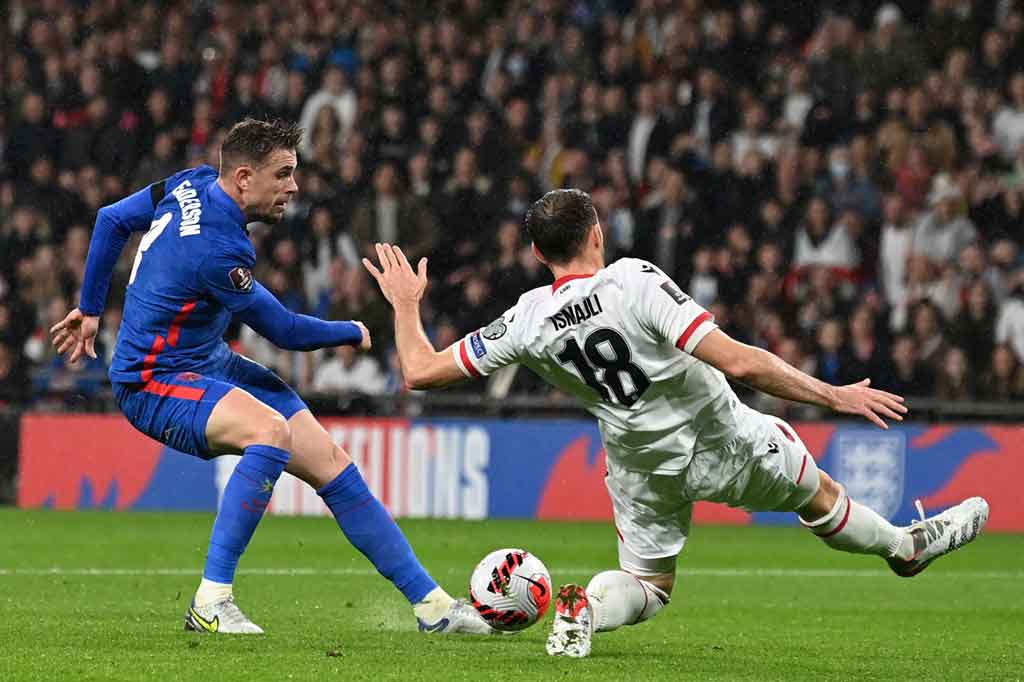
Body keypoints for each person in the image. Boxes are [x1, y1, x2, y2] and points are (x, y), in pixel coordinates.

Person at [363, 189, 990, 658]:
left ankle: (587, 612)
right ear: (598, 234)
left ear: (535, 253)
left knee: (648, 586)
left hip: (638, 467)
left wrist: (406, 305)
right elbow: (740, 360)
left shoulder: (525, 319)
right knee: (819, 496)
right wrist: (831, 394)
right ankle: (904, 549)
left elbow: (418, 370)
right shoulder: (633, 281)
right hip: (726, 441)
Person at [50, 119, 489, 636]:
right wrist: (355, 329)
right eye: (282, 175)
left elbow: (110, 218)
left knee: (331, 463)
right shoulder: (220, 249)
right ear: (242, 178)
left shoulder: (190, 183)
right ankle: (212, 602)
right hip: (153, 380)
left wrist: (91, 308)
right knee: (270, 432)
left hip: (205, 360)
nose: (293, 187)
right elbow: (284, 329)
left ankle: (433, 608)